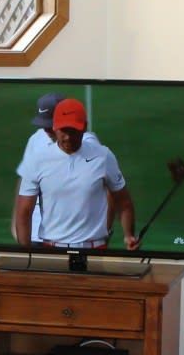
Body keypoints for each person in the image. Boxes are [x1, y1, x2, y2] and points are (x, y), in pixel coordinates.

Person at [13, 98, 138, 250]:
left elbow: (123, 202)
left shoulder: (103, 156)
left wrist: (129, 235)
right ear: (54, 127)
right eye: (63, 131)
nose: (68, 137)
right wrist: (27, 254)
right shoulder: (37, 160)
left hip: (94, 250)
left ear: (84, 127)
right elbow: (24, 212)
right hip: (51, 251)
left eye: (73, 131)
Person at [16, 92, 105, 240]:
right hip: (37, 235)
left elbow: (106, 188)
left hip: (69, 238)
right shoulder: (35, 139)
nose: (46, 130)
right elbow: (24, 184)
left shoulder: (88, 143)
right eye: (43, 125)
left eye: (49, 126)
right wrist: (17, 223)